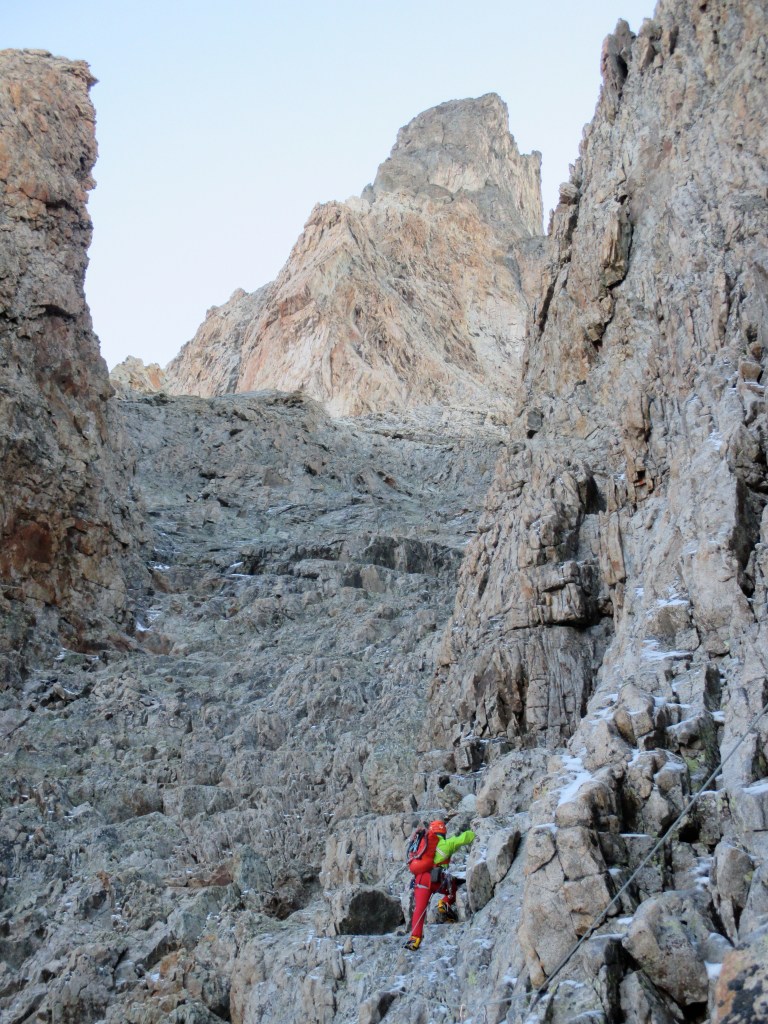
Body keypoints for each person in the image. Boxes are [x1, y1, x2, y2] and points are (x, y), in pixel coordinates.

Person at [404, 819, 476, 951]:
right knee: (453, 886)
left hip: (420, 880)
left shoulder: (422, 848)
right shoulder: (446, 844)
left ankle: (415, 939)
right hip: (437, 879)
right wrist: (475, 832)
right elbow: (462, 838)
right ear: (443, 832)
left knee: (419, 909)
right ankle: (445, 902)